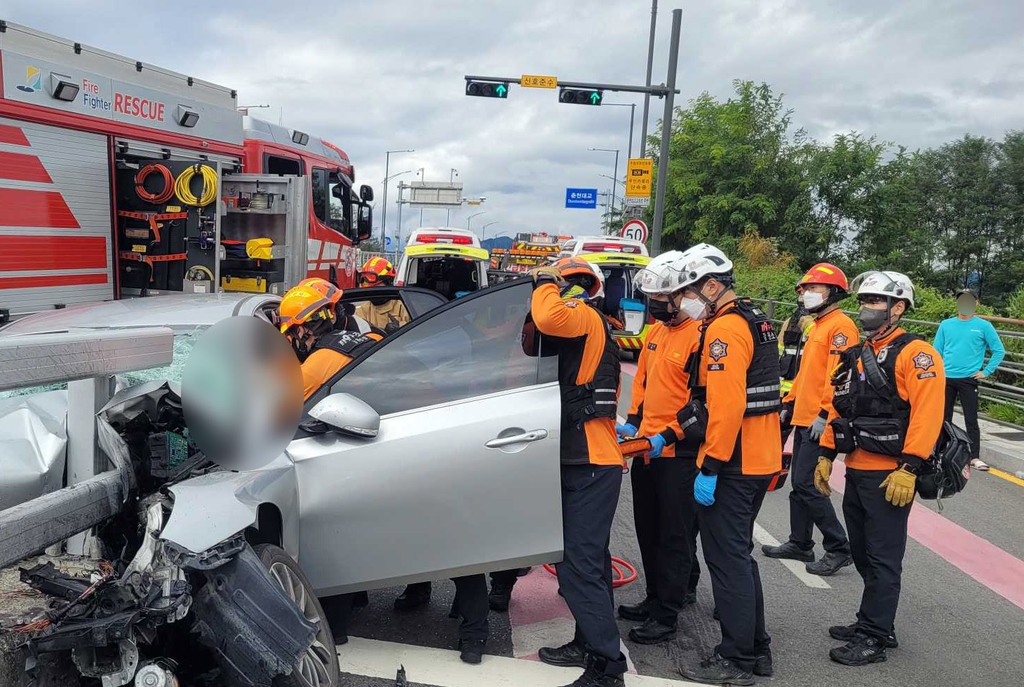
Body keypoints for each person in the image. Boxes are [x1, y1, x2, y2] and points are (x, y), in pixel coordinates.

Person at [816, 271, 945, 666]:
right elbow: (838, 406)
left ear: (898, 308)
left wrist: (909, 467)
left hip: (891, 474)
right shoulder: (857, 354)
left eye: (875, 302)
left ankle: (873, 636)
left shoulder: (917, 354)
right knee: (862, 552)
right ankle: (874, 622)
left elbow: (928, 415)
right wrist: (826, 453)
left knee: (883, 557)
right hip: (857, 467)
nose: (866, 309)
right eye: (864, 301)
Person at [671, 244, 781, 686]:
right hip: (758, 456)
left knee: (727, 560)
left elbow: (727, 404)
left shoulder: (724, 331)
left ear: (712, 286)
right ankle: (757, 648)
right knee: (740, 556)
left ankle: (737, 657)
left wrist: (712, 465)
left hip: (733, 461)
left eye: (689, 291)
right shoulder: (757, 321)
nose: (683, 302)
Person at [531, 258, 628, 687]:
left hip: (592, 462)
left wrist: (544, 281)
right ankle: (586, 641)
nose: (556, 291)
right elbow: (532, 337)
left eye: (563, 285)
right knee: (591, 562)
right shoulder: (580, 326)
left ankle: (608, 667)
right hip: (583, 459)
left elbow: (546, 314)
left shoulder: (584, 315)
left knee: (580, 566)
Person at [614, 250, 703, 646]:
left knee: (674, 535)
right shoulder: (655, 333)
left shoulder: (700, 337)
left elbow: (700, 404)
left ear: (682, 295)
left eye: (661, 301)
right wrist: (631, 423)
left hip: (679, 452)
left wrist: (666, 436)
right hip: (646, 448)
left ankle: (668, 612)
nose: (655, 307)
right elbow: (644, 386)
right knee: (648, 530)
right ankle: (654, 598)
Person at [763, 264, 858, 576]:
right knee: (799, 484)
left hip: (820, 420)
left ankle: (839, 546)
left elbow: (839, 378)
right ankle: (800, 542)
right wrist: (788, 403)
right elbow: (806, 374)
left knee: (807, 484)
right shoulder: (817, 326)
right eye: (804, 289)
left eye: (812, 288)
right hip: (803, 416)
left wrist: (823, 414)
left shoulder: (841, 328)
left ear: (831, 293)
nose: (805, 294)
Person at [933, 288, 1005, 471]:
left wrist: (986, 371)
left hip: (968, 379)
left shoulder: (984, 326)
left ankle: (974, 456)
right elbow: (936, 351)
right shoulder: (946, 324)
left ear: (976, 303)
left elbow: (999, 350)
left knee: (971, 419)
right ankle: (942, 451)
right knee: (943, 417)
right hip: (947, 377)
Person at [355, 256, 412, 335]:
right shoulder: (362, 311)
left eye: (375, 287)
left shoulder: (404, 306)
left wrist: (400, 328)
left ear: (388, 283)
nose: (372, 292)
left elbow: (415, 332)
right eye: (369, 288)